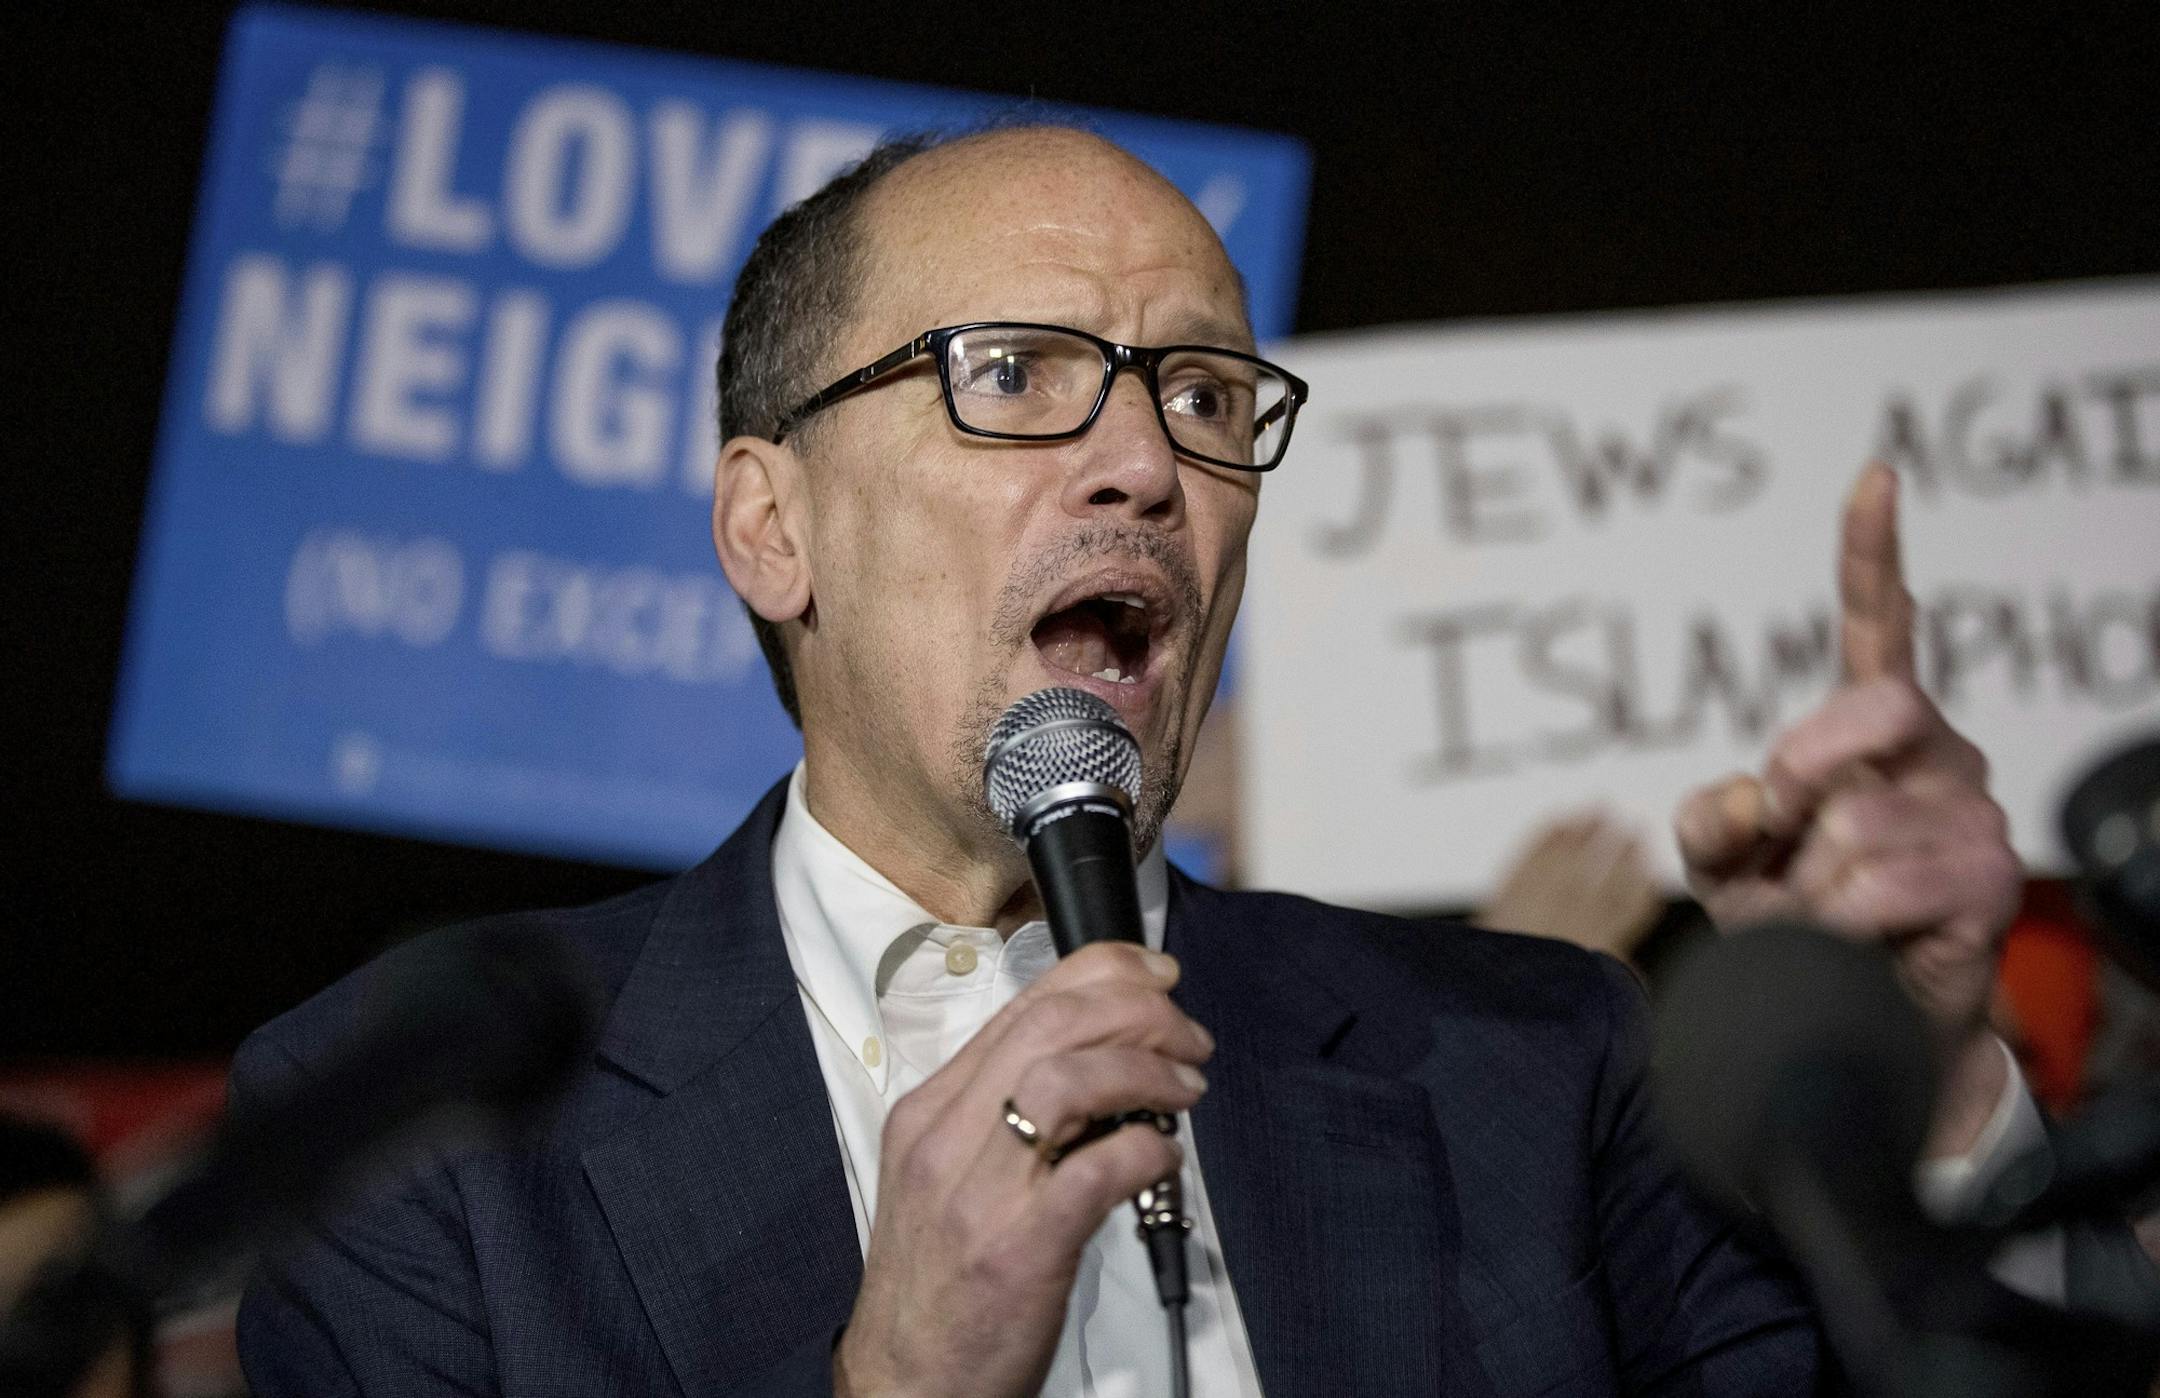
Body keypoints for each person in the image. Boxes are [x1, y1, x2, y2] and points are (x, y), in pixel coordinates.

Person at [235, 124, 2047, 1396]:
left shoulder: (1537, 1062)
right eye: (1014, 373)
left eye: (1201, 394)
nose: (1142, 465)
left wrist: (1929, 1086)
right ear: (770, 527)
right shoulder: (413, 1122)